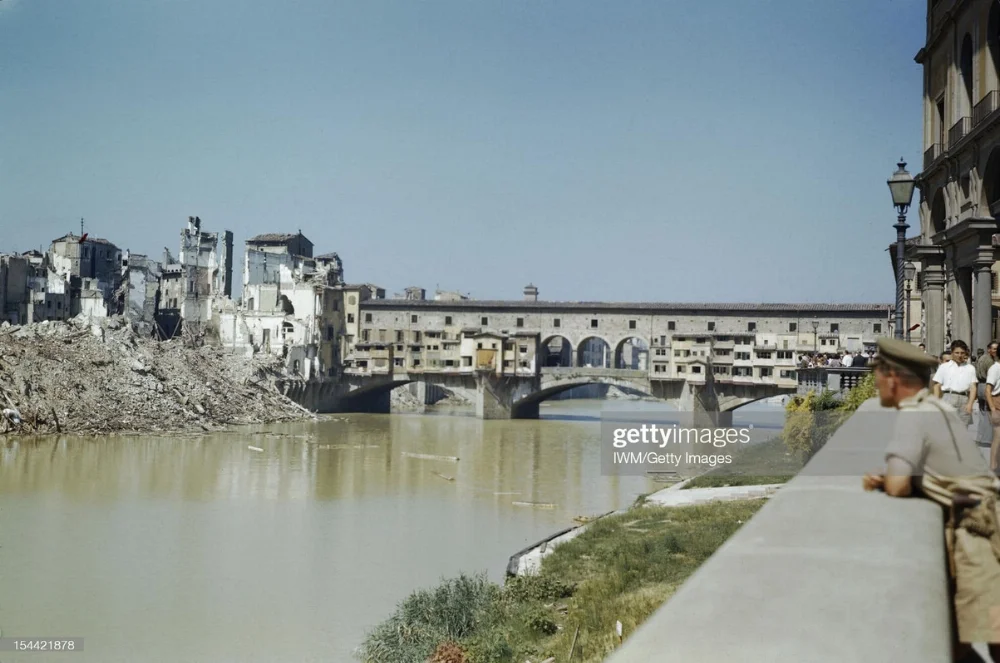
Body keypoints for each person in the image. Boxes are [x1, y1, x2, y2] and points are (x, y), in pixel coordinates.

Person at [863, 337, 1000, 660]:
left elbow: (898, 486)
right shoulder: (935, 407)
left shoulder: (914, 415)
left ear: (894, 379)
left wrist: (888, 481)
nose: (876, 384)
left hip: (976, 533)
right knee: (965, 634)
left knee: (990, 633)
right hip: (983, 518)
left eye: (878, 376)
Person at [934, 341, 978, 427]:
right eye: (957, 353)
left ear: (965, 353)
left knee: (963, 428)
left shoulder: (970, 368)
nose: (959, 355)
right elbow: (937, 385)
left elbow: (973, 387)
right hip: (948, 398)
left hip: (964, 399)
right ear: (952, 353)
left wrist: (970, 403)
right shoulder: (944, 367)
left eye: (962, 353)